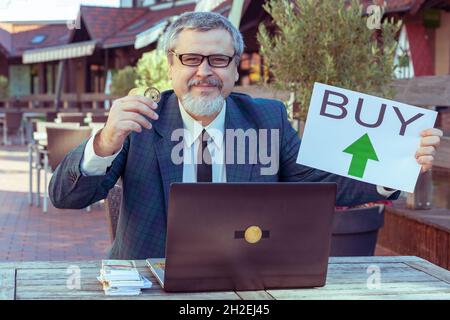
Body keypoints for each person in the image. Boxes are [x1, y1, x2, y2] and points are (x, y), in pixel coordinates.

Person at [49, 12, 443, 259]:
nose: (205, 71)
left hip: (243, 282)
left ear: (235, 69)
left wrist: (393, 168)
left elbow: (321, 180)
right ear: (171, 66)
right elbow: (67, 197)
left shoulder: (267, 118)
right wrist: (104, 142)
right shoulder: (140, 122)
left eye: (219, 59)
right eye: (191, 59)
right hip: (148, 280)